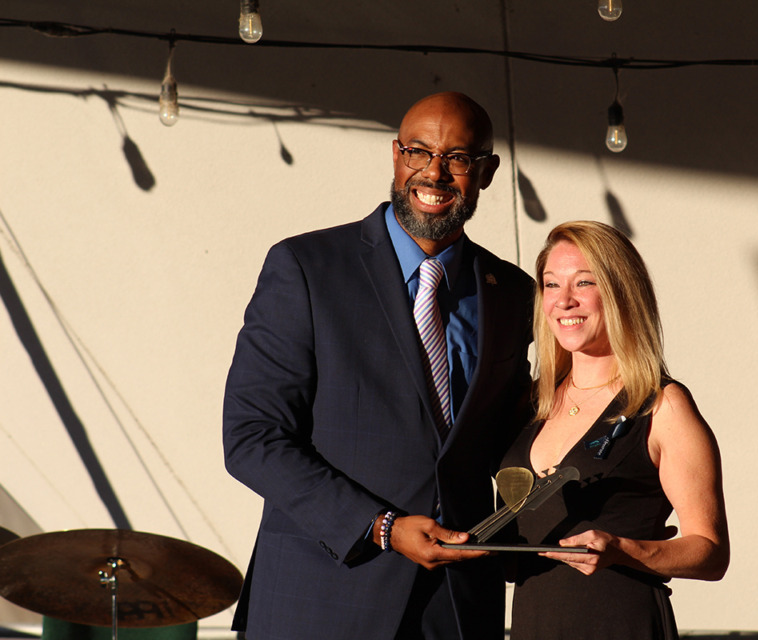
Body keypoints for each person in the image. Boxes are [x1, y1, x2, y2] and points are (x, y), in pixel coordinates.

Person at [222, 92, 534, 640]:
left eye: (458, 158)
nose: (434, 173)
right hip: (324, 598)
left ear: (486, 172)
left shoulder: (510, 291)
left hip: (457, 609)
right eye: (419, 151)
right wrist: (381, 528)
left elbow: (512, 440)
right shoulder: (306, 267)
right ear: (396, 155)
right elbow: (253, 437)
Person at [500, 220, 729, 639]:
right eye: (551, 285)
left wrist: (622, 549)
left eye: (583, 283)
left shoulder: (663, 405)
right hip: (535, 624)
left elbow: (711, 553)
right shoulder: (530, 403)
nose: (564, 301)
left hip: (621, 623)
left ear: (622, 291)